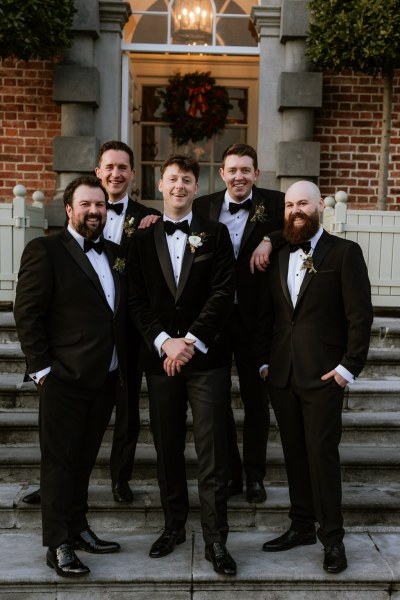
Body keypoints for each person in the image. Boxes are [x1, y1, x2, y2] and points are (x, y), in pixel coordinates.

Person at [22, 140, 161, 506]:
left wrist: (157, 227)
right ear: (98, 172)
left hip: (125, 334)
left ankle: (120, 478)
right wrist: (41, 368)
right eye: (109, 167)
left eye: (123, 167)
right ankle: (55, 489)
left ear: (133, 174)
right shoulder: (56, 241)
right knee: (62, 436)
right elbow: (32, 310)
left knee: (127, 410)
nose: (116, 173)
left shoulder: (149, 219)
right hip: (75, 345)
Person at [127, 154, 237, 576]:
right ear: (159, 185)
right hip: (160, 362)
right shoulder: (141, 238)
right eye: (172, 179)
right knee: (167, 446)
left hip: (206, 359)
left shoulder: (216, 233)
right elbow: (135, 300)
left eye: (187, 180)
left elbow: (223, 293)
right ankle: (173, 526)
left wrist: (188, 342)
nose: (179, 186)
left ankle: (216, 539)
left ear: (196, 186)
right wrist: (164, 343)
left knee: (212, 453)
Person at [256, 180, 373, 573]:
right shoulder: (279, 253)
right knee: (293, 455)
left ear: (320, 204)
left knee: (321, 456)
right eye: (289, 205)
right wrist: (264, 362)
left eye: (302, 203)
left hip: (325, 376)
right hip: (282, 374)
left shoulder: (344, 253)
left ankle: (333, 538)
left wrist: (347, 368)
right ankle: (301, 525)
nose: (295, 210)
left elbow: (360, 316)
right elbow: (271, 316)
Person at [14, 175, 127, 577]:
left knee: (83, 461)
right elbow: (27, 313)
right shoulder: (45, 250)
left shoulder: (115, 252)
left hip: (105, 375)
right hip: (63, 376)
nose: (95, 211)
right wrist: (42, 370)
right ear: (69, 209)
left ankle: (79, 529)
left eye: (101, 206)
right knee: (59, 464)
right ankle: (58, 543)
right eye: (86, 205)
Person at [192, 143, 285, 503]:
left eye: (246, 170)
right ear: (222, 173)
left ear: (256, 174)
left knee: (256, 401)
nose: (239, 176)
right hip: (214, 320)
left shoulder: (275, 203)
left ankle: (255, 476)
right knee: (216, 401)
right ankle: (230, 472)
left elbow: (298, 227)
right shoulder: (204, 206)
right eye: (232, 170)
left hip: (257, 320)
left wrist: (268, 238)